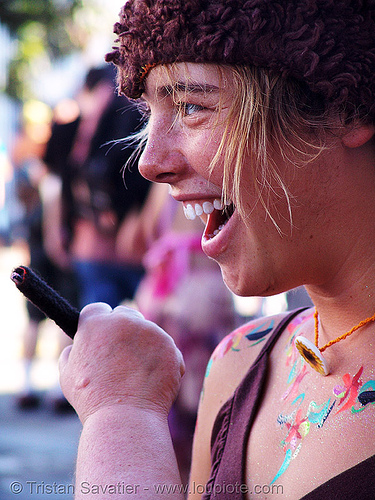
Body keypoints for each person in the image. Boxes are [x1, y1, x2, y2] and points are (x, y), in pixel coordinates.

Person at [58, 1, 375, 498]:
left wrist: (120, 418)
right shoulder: (236, 364)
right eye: (151, 113)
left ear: (347, 107)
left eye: (191, 106)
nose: (150, 162)